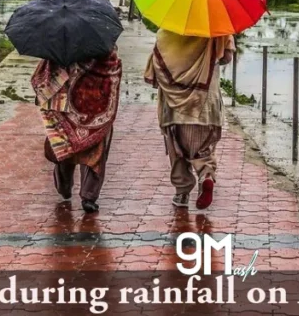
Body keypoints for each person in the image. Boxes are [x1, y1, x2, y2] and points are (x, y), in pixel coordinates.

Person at [144, 29, 235, 210]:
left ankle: (182, 193)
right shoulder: (219, 27)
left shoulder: (168, 30)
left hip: (173, 104)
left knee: (176, 147)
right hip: (204, 101)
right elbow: (226, 58)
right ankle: (206, 175)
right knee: (203, 146)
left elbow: (157, 62)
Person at [31, 48, 122, 213]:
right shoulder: (106, 49)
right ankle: (89, 196)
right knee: (96, 154)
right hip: (97, 110)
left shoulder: (60, 47)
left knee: (65, 148)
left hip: (66, 111)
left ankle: (64, 187)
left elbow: (45, 78)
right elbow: (113, 73)